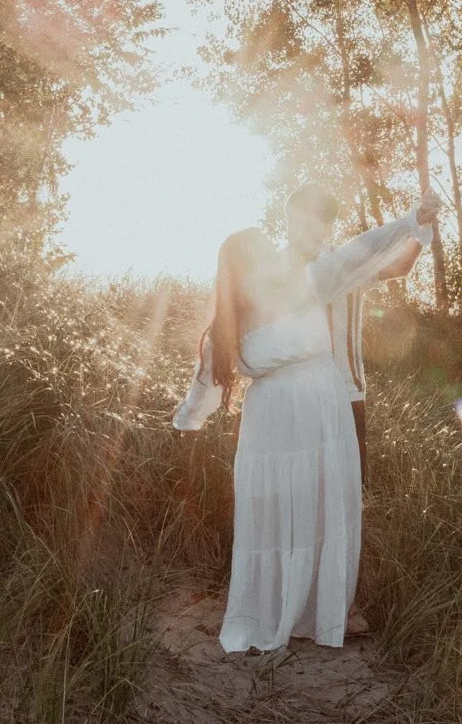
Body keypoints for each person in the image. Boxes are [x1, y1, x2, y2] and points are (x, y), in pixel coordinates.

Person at [173, 196, 436, 653]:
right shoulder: (238, 321)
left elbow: (360, 250)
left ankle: (320, 609)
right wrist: (186, 421)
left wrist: (411, 222)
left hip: (309, 408)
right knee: (289, 509)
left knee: (312, 507)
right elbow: (204, 382)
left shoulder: (302, 284)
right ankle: (291, 608)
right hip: (286, 416)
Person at [284, 185, 424, 489]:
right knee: (302, 482)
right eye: (292, 219)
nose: (296, 227)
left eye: (307, 219)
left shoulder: (349, 260)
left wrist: (422, 230)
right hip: (296, 391)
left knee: (352, 483)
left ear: (326, 226)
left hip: (347, 388)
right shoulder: (278, 267)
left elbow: (400, 266)